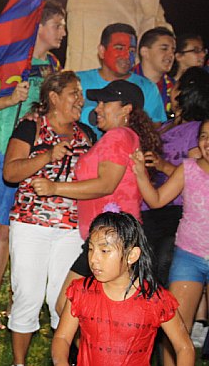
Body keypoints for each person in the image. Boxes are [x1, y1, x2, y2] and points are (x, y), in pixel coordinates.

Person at [30, 80, 162, 316]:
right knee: (90, 312)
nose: (97, 108)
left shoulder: (119, 136)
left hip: (112, 239)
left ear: (126, 109)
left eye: (104, 102)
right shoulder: (120, 137)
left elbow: (106, 184)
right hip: (111, 238)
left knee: (68, 308)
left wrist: (54, 187)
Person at [0, 0, 66, 330]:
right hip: (10, 152)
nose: (62, 32)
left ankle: (21, 305)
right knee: (4, 228)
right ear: (39, 26)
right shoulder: (12, 58)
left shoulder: (54, 64)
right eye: (57, 25)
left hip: (44, 156)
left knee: (32, 228)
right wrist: (12, 99)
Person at [2, 71, 94, 365]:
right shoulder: (30, 127)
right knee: (28, 295)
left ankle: (61, 361)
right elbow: (10, 173)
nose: (80, 100)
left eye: (80, 94)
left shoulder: (86, 135)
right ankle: (20, 362)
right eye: (74, 93)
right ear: (53, 97)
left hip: (70, 228)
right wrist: (46, 156)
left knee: (64, 299)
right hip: (31, 225)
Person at [52, 212, 194, 366]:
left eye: (104, 251)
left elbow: (184, 347)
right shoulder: (81, 291)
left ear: (131, 255)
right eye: (91, 249)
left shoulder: (155, 299)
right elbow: (62, 338)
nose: (93, 259)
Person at [133, 118, 209, 366]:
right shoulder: (188, 169)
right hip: (189, 256)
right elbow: (156, 201)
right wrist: (141, 175)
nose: (207, 143)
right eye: (204, 136)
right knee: (175, 329)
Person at [140, 67, 209, 285]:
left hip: (175, 208)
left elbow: (197, 175)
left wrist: (162, 165)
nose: (171, 87)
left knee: (162, 266)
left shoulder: (198, 130)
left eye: (177, 84)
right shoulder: (168, 125)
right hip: (153, 204)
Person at [77, 23, 167, 139]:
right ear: (102, 51)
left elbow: (154, 134)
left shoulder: (148, 88)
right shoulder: (77, 82)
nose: (126, 55)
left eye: (132, 50)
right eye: (119, 48)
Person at [133, 27, 177, 117]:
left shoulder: (175, 88)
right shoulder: (126, 81)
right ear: (144, 52)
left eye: (173, 50)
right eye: (164, 49)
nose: (171, 55)